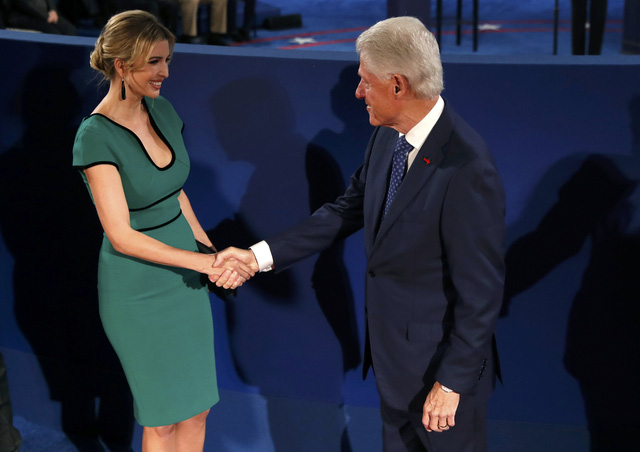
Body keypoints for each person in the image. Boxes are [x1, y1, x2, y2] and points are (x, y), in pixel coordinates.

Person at [215, 16, 505, 452]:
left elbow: (481, 292)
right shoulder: (388, 138)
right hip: (395, 370)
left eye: (365, 81)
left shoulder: (466, 166)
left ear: (398, 86)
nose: (358, 92)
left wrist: (451, 383)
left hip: (442, 383)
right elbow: (344, 211)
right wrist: (257, 256)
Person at [72, 10, 253, 451]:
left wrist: (211, 255)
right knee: (163, 419)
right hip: (137, 290)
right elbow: (121, 235)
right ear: (122, 65)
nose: (165, 72)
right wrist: (203, 262)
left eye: (167, 60)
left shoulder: (163, 111)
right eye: (154, 62)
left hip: (185, 280)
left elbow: (176, 193)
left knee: (197, 409)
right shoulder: (95, 137)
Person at [3, 0, 76, 35]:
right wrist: (46, 16)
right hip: (23, 16)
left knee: (70, 30)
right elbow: (24, 4)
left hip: (46, 15)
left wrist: (53, 10)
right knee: (53, 33)